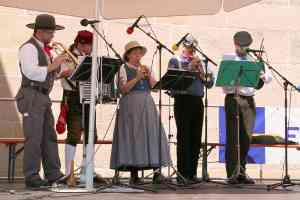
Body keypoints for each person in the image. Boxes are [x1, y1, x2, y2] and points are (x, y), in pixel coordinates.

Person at [15, 14, 69, 188]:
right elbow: (31, 72)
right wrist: (54, 64)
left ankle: (54, 174)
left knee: (49, 137)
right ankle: (31, 176)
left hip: (42, 96)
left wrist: (60, 72)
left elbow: (45, 73)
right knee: (34, 137)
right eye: (50, 32)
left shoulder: (45, 50)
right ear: (40, 31)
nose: (53, 36)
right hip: (31, 95)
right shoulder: (28, 48)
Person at [110, 41, 172, 184]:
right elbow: (123, 89)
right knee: (133, 136)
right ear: (128, 55)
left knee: (152, 134)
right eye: (135, 53)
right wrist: (137, 77)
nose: (138, 56)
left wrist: (149, 75)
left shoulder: (146, 68)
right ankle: (134, 174)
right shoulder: (123, 68)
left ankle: (157, 172)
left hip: (147, 103)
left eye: (140, 53)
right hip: (131, 105)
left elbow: (155, 88)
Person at [222, 31, 272, 184]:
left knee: (245, 138)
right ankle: (232, 174)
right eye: (240, 46)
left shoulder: (253, 59)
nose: (242, 49)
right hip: (233, 98)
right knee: (233, 137)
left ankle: (242, 172)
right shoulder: (229, 59)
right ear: (235, 44)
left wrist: (262, 73)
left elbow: (268, 78)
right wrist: (234, 78)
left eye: (245, 46)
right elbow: (224, 86)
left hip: (249, 100)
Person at [58, 30, 106, 184]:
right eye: (89, 46)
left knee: (92, 135)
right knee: (74, 135)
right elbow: (61, 73)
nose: (91, 49)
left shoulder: (90, 58)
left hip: (88, 97)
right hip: (72, 97)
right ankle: (69, 173)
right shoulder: (67, 55)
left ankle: (87, 171)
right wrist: (75, 70)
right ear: (80, 44)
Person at [168, 35, 215, 184]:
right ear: (183, 47)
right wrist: (189, 68)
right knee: (184, 137)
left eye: (194, 48)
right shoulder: (175, 60)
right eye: (189, 47)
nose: (191, 50)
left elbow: (209, 84)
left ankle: (193, 173)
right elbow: (173, 81)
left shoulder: (201, 62)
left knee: (195, 137)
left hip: (197, 100)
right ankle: (182, 173)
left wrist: (200, 70)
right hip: (182, 100)